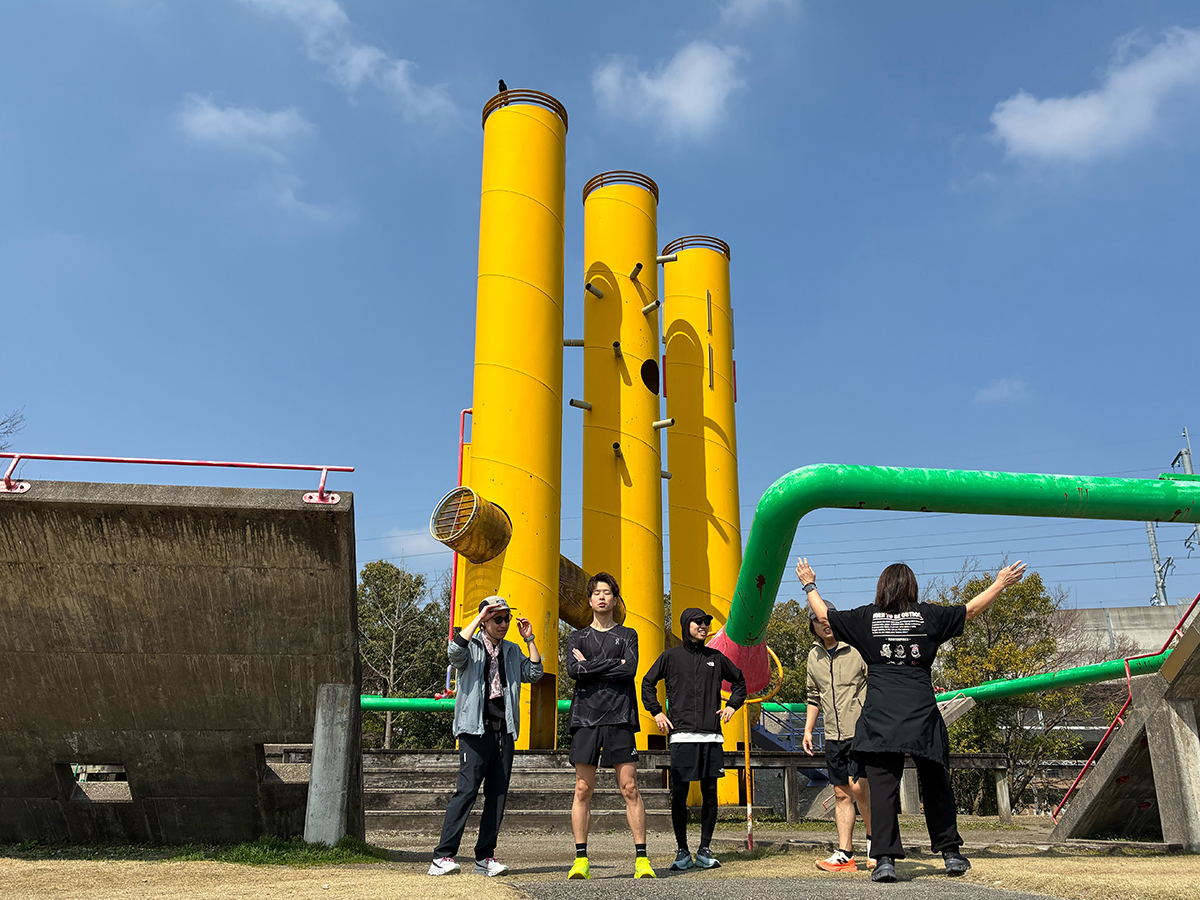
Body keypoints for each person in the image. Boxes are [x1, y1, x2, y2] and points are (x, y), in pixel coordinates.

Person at [800, 556, 1026, 883]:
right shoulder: (928, 615)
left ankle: (886, 860)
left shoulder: (868, 617)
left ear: (882, 588)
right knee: (936, 785)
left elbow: (825, 617)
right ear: (912, 587)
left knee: (882, 790)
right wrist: (999, 584)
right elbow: (971, 610)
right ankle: (951, 854)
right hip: (922, 714)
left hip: (880, 717)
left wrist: (809, 584)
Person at [429, 597, 543, 877]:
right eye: (497, 619)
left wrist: (530, 639)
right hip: (474, 730)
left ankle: (485, 857)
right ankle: (442, 856)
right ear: (484, 621)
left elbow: (535, 673)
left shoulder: (513, 650)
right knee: (466, 791)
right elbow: (454, 652)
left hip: (504, 731)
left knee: (497, 795)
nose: (503, 624)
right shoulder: (473, 646)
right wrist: (478, 619)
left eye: (506, 619)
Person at [641, 607, 746, 872]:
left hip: (711, 736)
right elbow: (647, 683)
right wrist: (657, 712)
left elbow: (740, 682)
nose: (704, 626)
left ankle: (705, 849)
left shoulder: (716, 657)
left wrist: (733, 705)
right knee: (681, 793)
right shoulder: (671, 657)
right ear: (686, 624)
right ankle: (682, 850)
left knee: (711, 793)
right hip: (682, 736)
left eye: (707, 622)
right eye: (698, 622)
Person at [565, 572, 654, 880]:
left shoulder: (628, 635)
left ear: (615, 599)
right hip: (585, 718)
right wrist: (607, 665)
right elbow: (573, 671)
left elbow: (629, 670)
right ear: (589, 600)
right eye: (597, 593)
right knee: (582, 788)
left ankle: (642, 859)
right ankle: (580, 859)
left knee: (630, 787)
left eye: (607, 592)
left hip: (620, 716)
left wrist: (590, 666)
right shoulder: (576, 637)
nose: (602, 597)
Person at [804, 602, 873, 872]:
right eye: (818, 620)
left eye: (828, 618)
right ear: (812, 626)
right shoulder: (814, 656)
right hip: (833, 734)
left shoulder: (857, 648)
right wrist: (809, 730)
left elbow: (875, 684)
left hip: (861, 732)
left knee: (860, 789)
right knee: (841, 793)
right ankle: (845, 854)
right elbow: (813, 696)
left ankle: (876, 845)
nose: (825, 623)